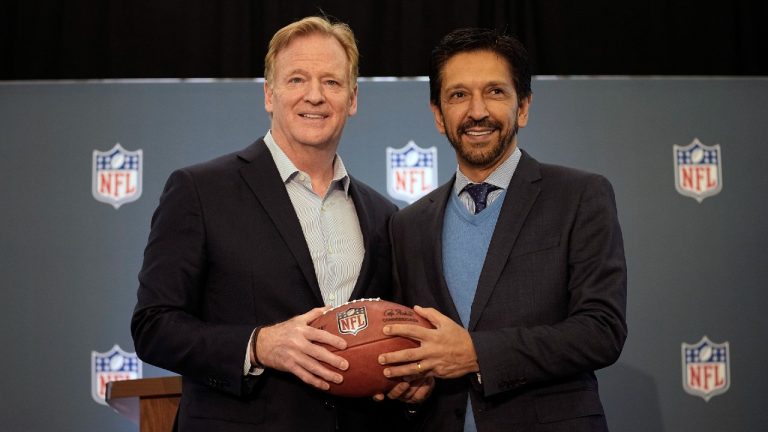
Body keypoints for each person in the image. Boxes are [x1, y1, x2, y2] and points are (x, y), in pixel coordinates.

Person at [131, 16, 402, 431]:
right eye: (296, 80)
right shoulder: (200, 191)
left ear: (352, 99)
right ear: (269, 95)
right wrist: (258, 345)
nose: (314, 96)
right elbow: (154, 325)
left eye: (331, 82)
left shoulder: (384, 216)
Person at [378, 28, 628, 431]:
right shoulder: (408, 225)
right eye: (458, 95)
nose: (477, 111)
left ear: (523, 106)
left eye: (495, 92)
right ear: (438, 115)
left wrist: (475, 353)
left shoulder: (579, 196)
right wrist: (412, 391)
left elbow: (601, 330)